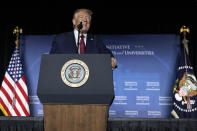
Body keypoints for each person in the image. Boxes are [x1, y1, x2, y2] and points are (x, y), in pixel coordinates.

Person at [50, 8, 117, 70]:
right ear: (74, 21)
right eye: (81, 17)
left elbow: (107, 54)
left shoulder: (96, 40)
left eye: (87, 18)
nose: (85, 20)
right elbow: (52, 61)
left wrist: (111, 59)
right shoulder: (60, 39)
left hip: (92, 79)